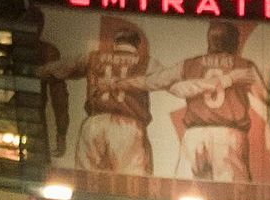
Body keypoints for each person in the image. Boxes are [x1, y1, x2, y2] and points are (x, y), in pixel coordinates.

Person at [39, 14, 172, 182]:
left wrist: (35, 71)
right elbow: (170, 80)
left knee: (85, 183)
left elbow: (54, 69)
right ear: (136, 44)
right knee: (132, 186)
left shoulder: (93, 57)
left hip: (93, 124)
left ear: (115, 42)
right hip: (128, 126)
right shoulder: (146, 62)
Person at [171, 16, 270, 187]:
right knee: (231, 194)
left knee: (187, 192)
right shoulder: (244, 65)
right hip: (229, 135)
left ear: (210, 40)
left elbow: (171, 86)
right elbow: (266, 99)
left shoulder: (191, 64)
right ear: (235, 42)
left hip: (194, 134)